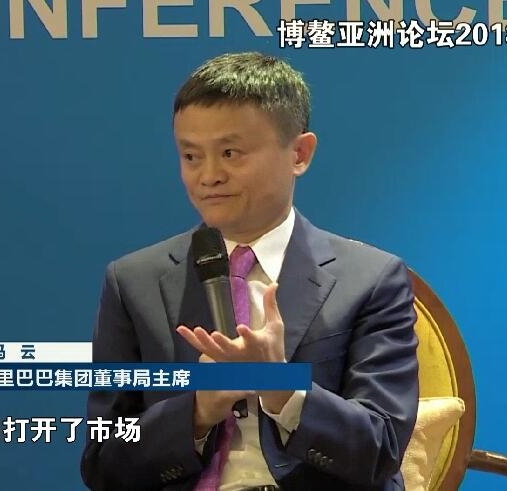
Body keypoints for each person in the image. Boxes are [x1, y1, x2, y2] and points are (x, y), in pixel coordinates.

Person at [80, 52, 419, 491]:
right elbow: (104, 463)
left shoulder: (372, 279)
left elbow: (382, 450)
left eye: (230, 153)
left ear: (299, 153)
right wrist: (198, 411)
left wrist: (283, 388)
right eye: (191, 156)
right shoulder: (133, 282)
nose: (208, 176)